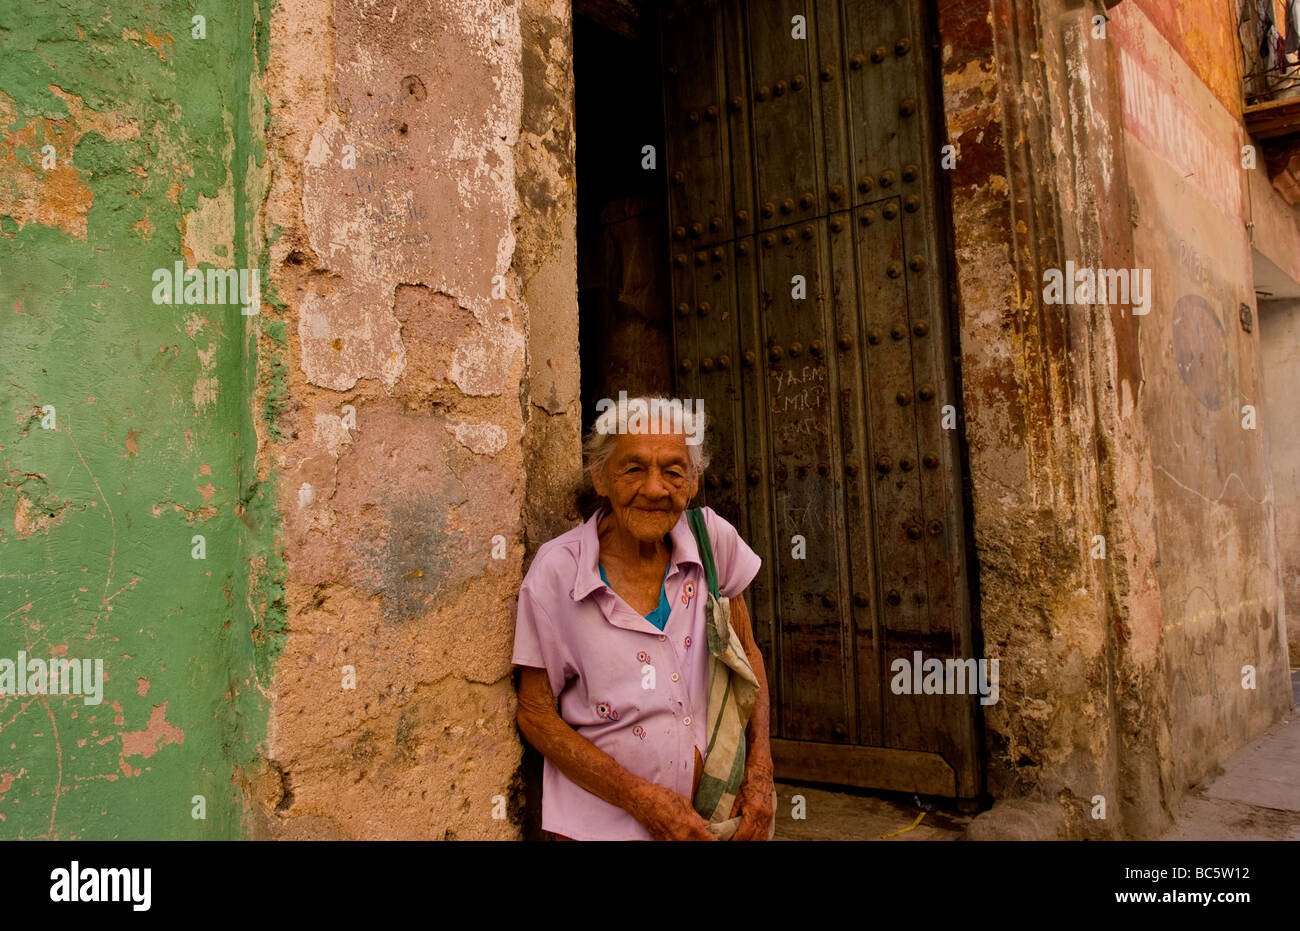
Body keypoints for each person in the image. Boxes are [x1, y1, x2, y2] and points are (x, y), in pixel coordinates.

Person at [512, 397, 775, 840]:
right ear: (600, 477)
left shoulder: (712, 541)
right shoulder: (558, 570)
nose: (654, 490)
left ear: (692, 482)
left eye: (673, 471)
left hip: (714, 819)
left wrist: (761, 771)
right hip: (601, 826)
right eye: (633, 469)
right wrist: (638, 797)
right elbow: (535, 713)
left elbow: (747, 656)